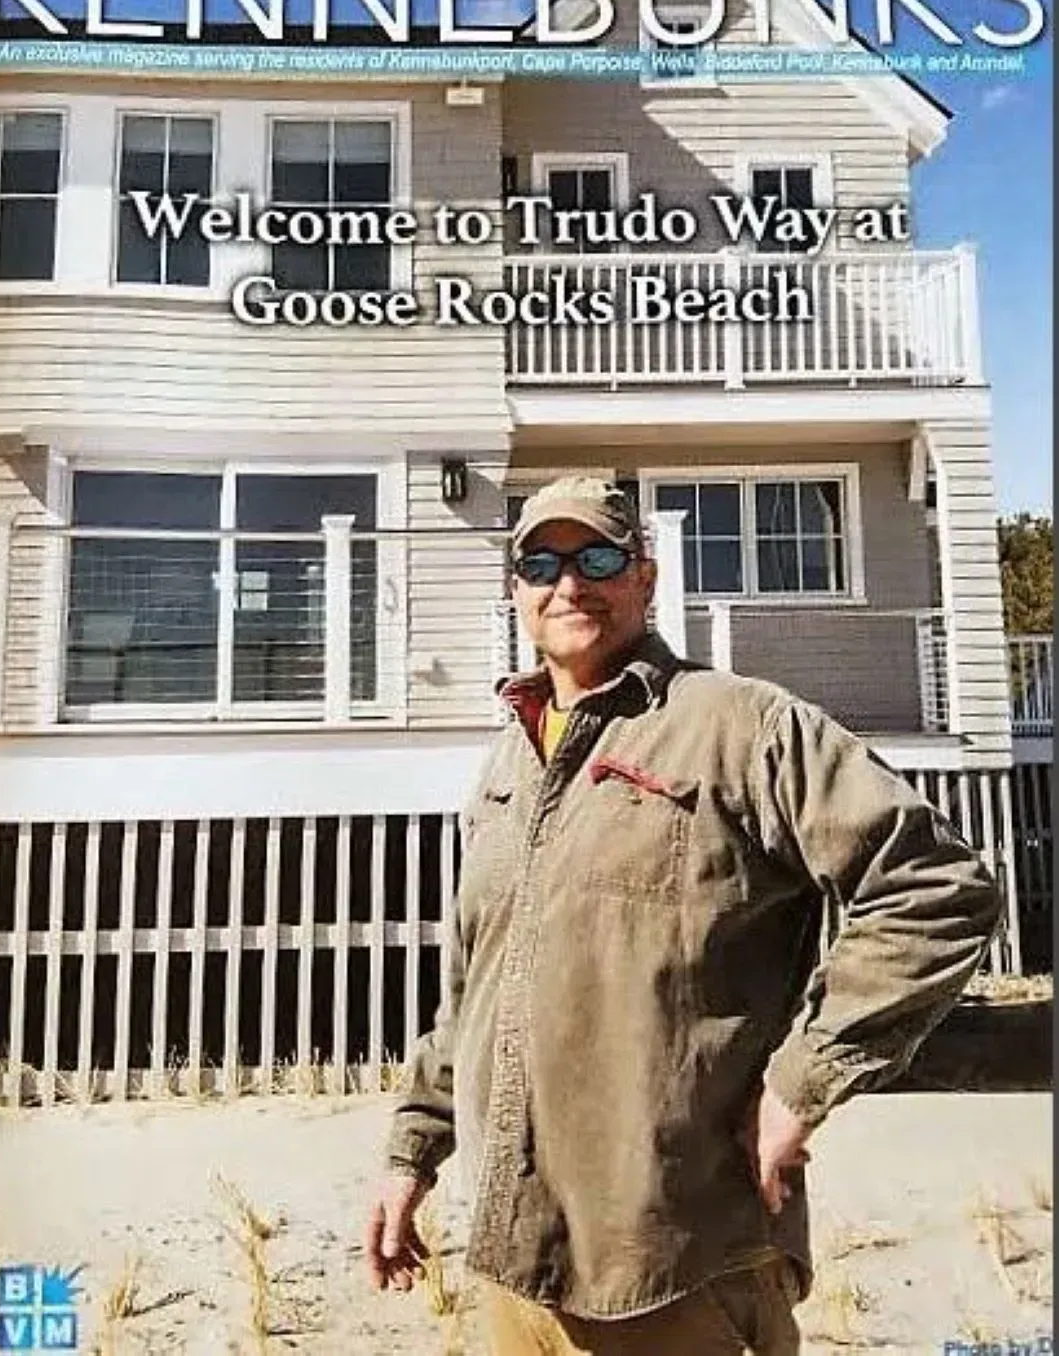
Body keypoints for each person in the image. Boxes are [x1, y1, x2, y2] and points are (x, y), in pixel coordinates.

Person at [363, 476, 1001, 1355]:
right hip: (514, 1265)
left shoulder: (739, 727)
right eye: (540, 562)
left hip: (680, 1261)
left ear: (644, 577)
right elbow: (473, 990)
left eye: (597, 558)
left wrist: (800, 1083)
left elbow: (935, 886)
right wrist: (411, 1155)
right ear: (514, 587)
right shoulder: (509, 760)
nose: (569, 584)